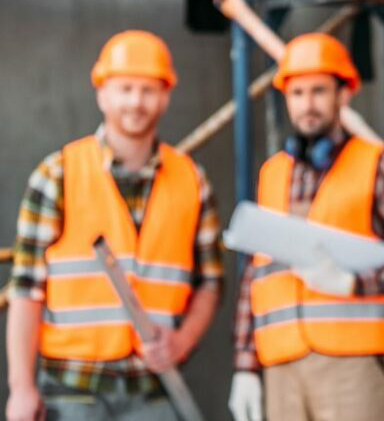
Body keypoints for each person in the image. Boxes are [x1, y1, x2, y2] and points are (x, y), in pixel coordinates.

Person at [228, 33, 384, 421]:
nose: (307, 104)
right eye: (297, 93)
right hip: (281, 364)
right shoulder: (272, 174)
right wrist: (245, 366)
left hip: (352, 364)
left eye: (318, 91)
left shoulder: (376, 165)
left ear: (343, 95)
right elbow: (257, 275)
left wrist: (356, 283)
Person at [6, 30, 223, 421]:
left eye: (148, 90)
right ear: (102, 94)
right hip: (73, 391)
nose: (136, 102)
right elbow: (26, 290)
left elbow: (210, 282)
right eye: (125, 89)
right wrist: (22, 388)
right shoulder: (58, 175)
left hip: (154, 391)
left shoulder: (193, 180)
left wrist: (182, 341)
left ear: (166, 96)